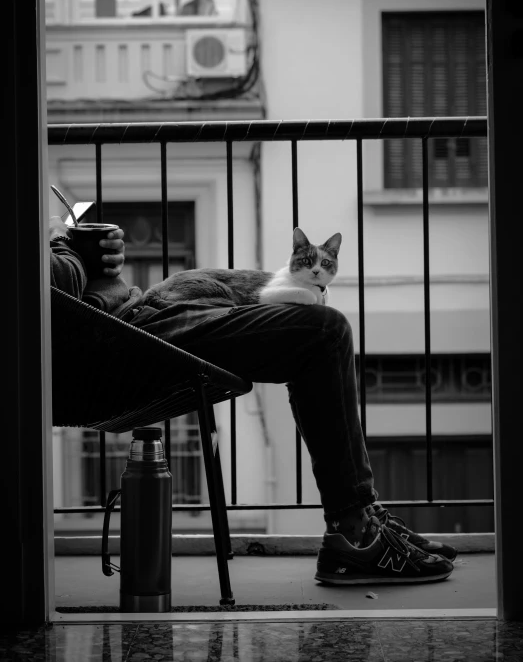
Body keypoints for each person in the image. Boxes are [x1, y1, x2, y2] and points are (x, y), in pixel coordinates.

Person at [50, 215, 456, 585]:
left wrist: (97, 255)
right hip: (124, 338)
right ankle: (357, 530)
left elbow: (66, 281)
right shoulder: (27, 237)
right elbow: (56, 282)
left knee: (295, 305)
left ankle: (366, 519)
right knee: (324, 332)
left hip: (137, 314)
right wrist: (62, 243)